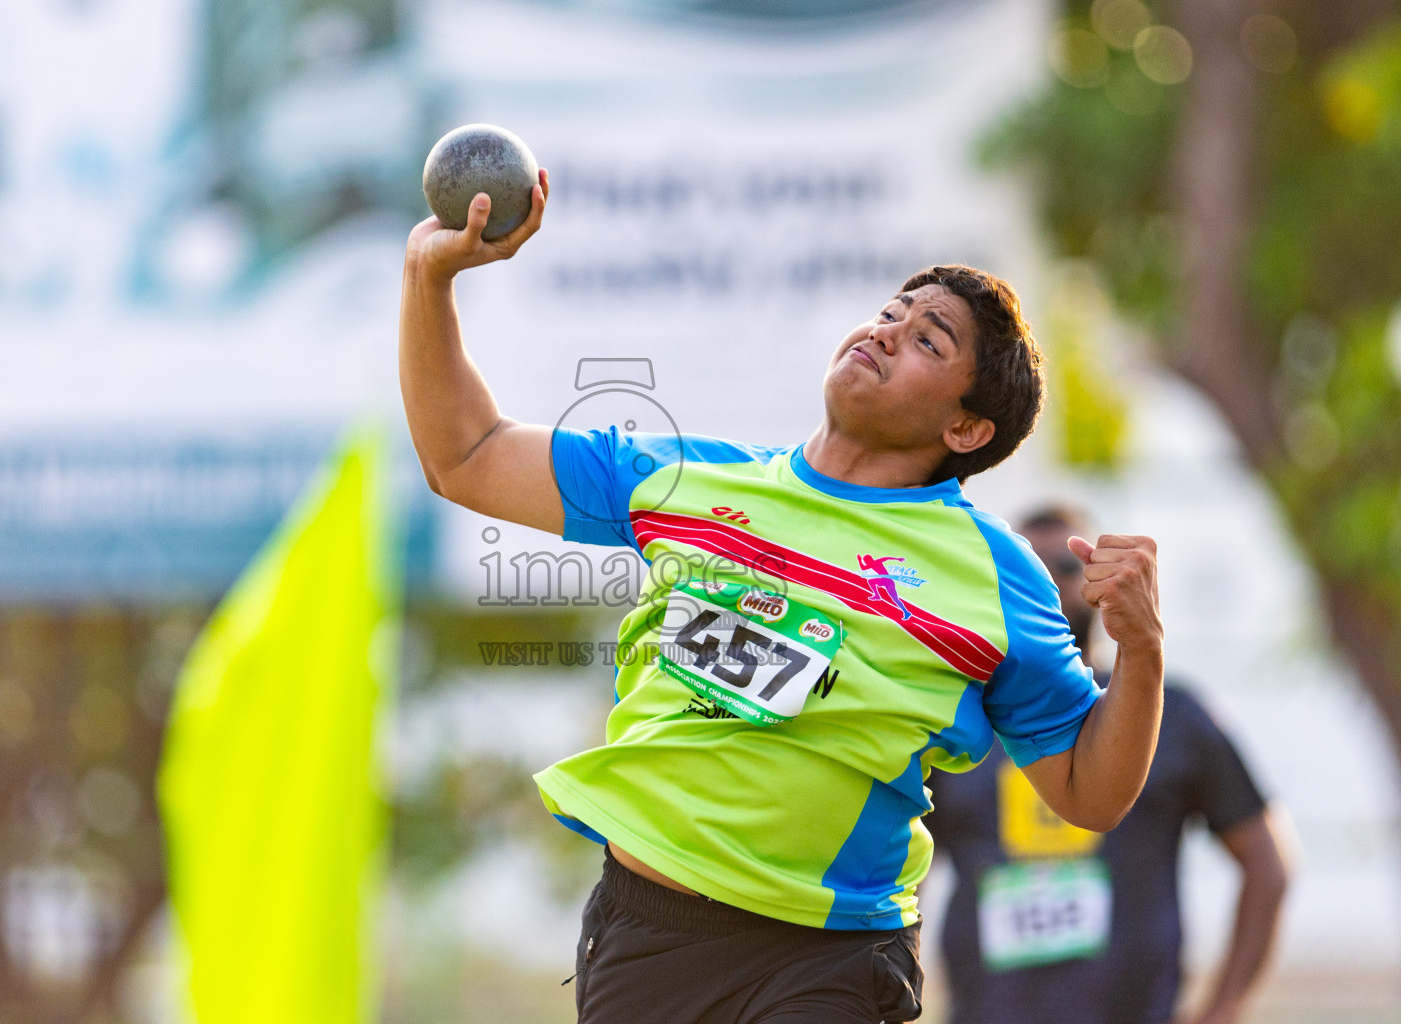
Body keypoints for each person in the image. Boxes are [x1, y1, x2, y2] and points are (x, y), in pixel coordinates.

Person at [399, 173, 1166, 1024]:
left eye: (928, 339)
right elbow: (465, 454)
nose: (885, 331)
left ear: (966, 429)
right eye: (890, 311)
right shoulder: (690, 478)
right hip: (647, 934)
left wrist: (1143, 652)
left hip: (826, 957)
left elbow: (1090, 794)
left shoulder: (997, 574)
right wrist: (429, 280)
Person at [927, 505, 1295, 1024]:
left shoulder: (1174, 716)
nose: (1047, 581)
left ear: (1099, 579)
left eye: (1064, 564)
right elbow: (900, 868)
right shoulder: (958, 717)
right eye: (1023, 565)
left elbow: (1266, 863)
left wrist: (1224, 1008)